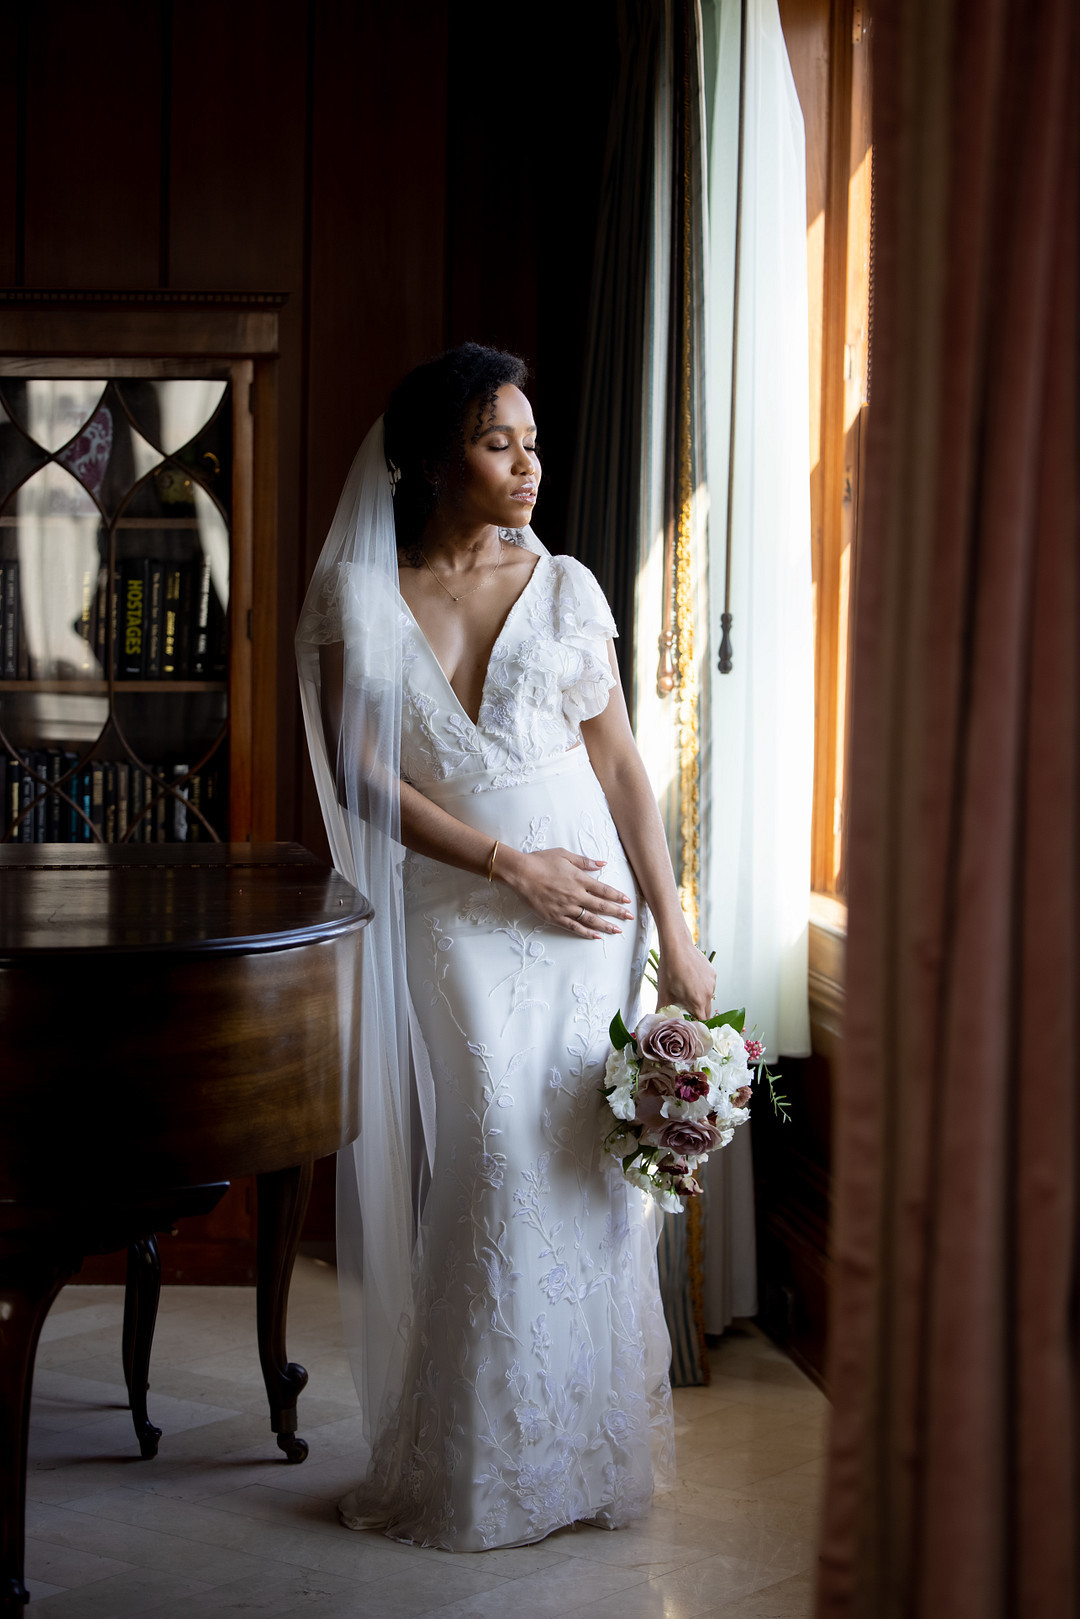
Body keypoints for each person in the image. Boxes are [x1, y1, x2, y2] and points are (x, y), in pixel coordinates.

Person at [296, 343, 715, 1553]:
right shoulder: (359, 595)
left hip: (588, 921)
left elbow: (625, 767)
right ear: (435, 458)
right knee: (489, 1162)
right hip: (462, 916)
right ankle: (480, 1466)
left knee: (581, 1175)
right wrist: (503, 863)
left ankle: (581, 1457)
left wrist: (675, 936)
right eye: (500, 442)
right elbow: (366, 778)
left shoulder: (571, 586)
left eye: (533, 442)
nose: (530, 465)